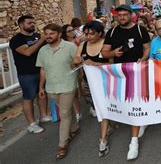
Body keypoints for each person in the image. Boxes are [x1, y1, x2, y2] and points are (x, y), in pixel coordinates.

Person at [101, 4, 150, 160]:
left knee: (138, 98)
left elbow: (147, 48)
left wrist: (142, 60)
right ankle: (134, 121)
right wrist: (113, 52)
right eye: (119, 15)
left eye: (124, 14)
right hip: (119, 73)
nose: (121, 17)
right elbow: (104, 52)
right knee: (125, 99)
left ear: (131, 15)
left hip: (137, 70)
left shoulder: (140, 30)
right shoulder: (112, 31)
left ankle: (134, 140)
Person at [36, 24, 79, 160]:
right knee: (64, 109)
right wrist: (41, 87)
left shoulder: (70, 47)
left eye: (51, 33)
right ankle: (73, 129)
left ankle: (62, 145)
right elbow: (43, 69)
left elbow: (78, 63)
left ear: (60, 34)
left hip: (67, 84)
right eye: (46, 33)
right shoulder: (43, 50)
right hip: (51, 87)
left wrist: (77, 67)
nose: (48, 36)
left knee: (64, 114)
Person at [72, 21, 111, 157]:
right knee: (101, 110)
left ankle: (103, 138)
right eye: (86, 33)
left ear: (100, 33)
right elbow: (75, 61)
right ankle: (104, 136)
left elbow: (113, 64)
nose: (88, 36)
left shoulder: (107, 43)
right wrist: (76, 60)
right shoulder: (82, 45)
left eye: (91, 34)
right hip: (91, 85)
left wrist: (94, 63)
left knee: (106, 109)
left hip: (109, 83)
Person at [9, 14, 50, 134]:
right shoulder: (17, 39)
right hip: (26, 74)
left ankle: (43, 115)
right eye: (29, 23)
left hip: (41, 70)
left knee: (42, 93)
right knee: (28, 97)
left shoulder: (37, 36)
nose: (33, 25)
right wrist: (42, 39)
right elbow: (27, 52)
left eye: (33, 22)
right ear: (21, 25)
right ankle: (32, 124)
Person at [61, 24, 82, 122]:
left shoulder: (78, 41)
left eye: (72, 29)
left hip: (80, 67)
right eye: (69, 31)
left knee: (81, 87)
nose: (72, 32)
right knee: (73, 91)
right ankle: (77, 113)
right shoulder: (63, 44)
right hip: (69, 69)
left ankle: (88, 103)